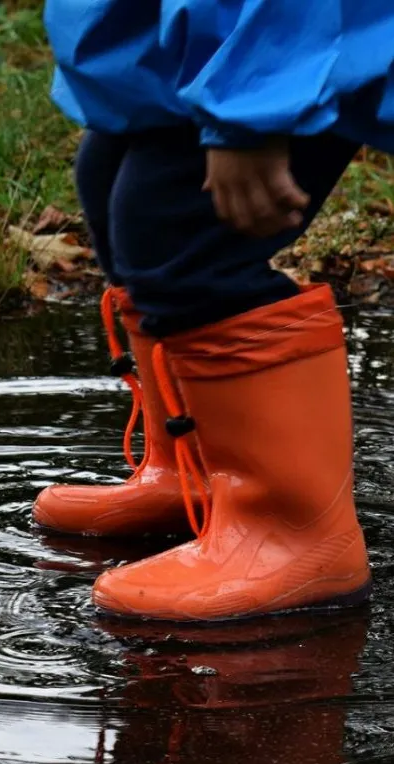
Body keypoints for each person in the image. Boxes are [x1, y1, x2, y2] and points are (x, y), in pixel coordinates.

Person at [33, 0, 394, 620]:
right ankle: (196, 477)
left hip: (280, 47)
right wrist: (129, 75)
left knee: (180, 236)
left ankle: (294, 535)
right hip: (187, 47)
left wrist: (252, 107)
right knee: (112, 183)